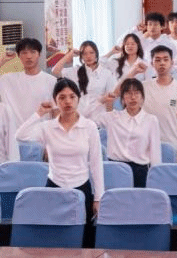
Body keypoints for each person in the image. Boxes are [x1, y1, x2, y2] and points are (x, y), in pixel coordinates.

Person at [16, 78, 104, 246]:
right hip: (54, 186)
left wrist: (98, 197)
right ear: (55, 101)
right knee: (53, 239)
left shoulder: (89, 126)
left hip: (82, 188)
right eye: (62, 97)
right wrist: (39, 113)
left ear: (78, 99)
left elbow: (96, 164)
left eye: (72, 96)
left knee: (83, 241)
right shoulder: (48, 127)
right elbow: (20, 135)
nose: (67, 101)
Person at [94, 78, 161, 187]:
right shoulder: (113, 117)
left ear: (142, 97)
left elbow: (155, 153)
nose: (133, 97)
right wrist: (101, 101)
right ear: (122, 98)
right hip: (115, 169)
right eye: (128, 93)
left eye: (136, 93)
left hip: (140, 171)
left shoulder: (151, 120)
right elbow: (86, 117)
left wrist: (155, 179)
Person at [0, 38, 58, 158]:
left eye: (33, 52)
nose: (29, 56)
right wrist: (3, 60)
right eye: (24, 53)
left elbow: (56, 114)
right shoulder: (8, 79)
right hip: (13, 141)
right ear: (18, 56)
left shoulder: (51, 81)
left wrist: (53, 144)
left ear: (39, 54)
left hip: (40, 141)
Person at [141, 45, 177, 163]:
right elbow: (118, 93)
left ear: (172, 63)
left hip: (173, 146)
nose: (162, 63)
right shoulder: (143, 87)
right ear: (152, 64)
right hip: (146, 147)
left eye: (166, 59)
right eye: (158, 60)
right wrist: (134, 71)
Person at [52, 40, 117, 120]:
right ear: (81, 56)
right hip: (79, 117)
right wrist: (69, 54)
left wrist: (109, 119)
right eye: (85, 54)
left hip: (98, 117)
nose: (88, 56)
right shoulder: (76, 71)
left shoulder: (106, 73)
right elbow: (55, 71)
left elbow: (110, 100)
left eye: (91, 53)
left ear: (96, 54)